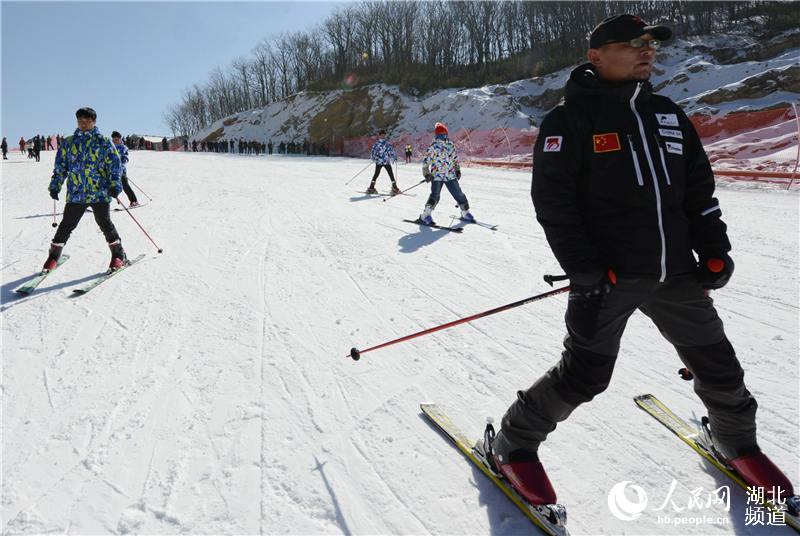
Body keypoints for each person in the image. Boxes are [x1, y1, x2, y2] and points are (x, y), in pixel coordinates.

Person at [489, 14, 794, 507]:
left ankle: (734, 442)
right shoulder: (569, 120)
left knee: (719, 367)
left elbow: (699, 191)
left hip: (676, 273)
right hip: (608, 278)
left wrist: (714, 249)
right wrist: (585, 268)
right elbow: (554, 205)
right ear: (596, 55)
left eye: (651, 44)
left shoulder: (670, 114)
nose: (646, 51)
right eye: (633, 44)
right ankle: (513, 444)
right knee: (584, 375)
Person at [44, 107, 127, 271]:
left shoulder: (103, 141)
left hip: (99, 191)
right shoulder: (68, 142)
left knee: (104, 223)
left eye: (86, 121)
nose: (83, 124)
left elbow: (115, 165)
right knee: (66, 224)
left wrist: (115, 185)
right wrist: (55, 185)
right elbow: (60, 167)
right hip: (77, 193)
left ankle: (118, 254)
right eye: (80, 121)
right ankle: (53, 256)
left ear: (94, 121)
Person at [418, 122, 473, 224]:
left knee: (458, 194)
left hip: (450, 175)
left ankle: (465, 212)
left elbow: (454, 159)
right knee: (435, 196)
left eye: (444, 133)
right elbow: (426, 162)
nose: (443, 135)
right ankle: (425, 215)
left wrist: (457, 170)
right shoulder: (433, 147)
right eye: (441, 133)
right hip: (437, 176)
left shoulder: (450, 145)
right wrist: (426, 174)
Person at [111, 131, 140, 207]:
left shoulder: (123, 148)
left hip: (121, 171)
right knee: (107, 186)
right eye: (113, 140)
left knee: (125, 186)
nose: (115, 141)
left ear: (120, 139)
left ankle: (134, 201)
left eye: (116, 140)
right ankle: (98, 206)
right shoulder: (110, 148)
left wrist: (122, 162)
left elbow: (126, 157)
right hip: (111, 171)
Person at [366, 129, 398, 195]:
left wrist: (394, 157)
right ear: (379, 135)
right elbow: (373, 152)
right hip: (379, 162)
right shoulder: (376, 144)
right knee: (376, 174)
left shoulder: (387, 143)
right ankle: (371, 187)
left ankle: (394, 187)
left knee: (391, 174)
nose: (383, 136)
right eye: (381, 135)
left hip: (386, 161)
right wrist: (374, 158)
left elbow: (390, 151)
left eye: (384, 135)